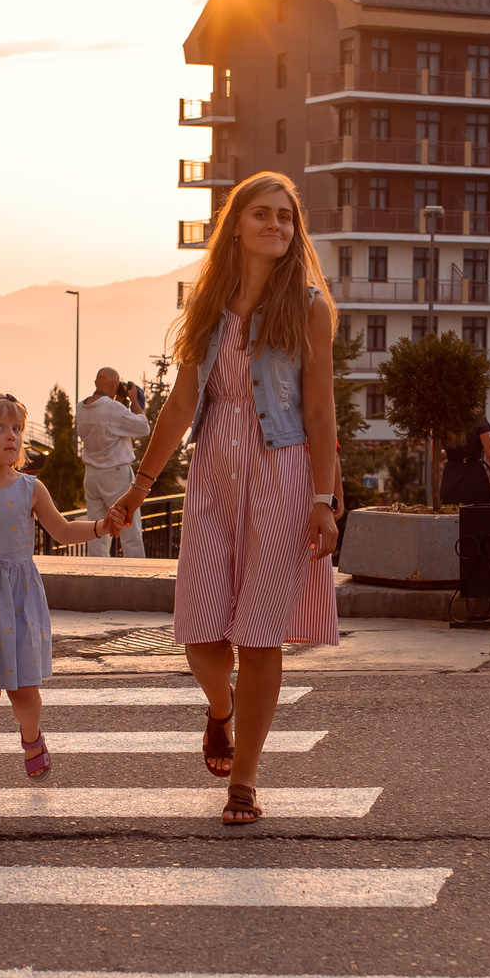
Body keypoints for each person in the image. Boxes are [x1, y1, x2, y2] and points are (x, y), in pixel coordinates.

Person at [109, 171, 340, 825]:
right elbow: (182, 403)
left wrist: (323, 498)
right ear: (236, 223)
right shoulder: (207, 304)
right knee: (200, 631)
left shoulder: (309, 305)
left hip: (284, 473)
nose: (274, 225)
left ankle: (244, 780)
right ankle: (221, 708)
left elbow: (322, 413)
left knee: (262, 635)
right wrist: (141, 485)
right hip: (213, 473)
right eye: (261, 214)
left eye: (285, 218)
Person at [0, 392, 118, 816]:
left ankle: (31, 735)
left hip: (17, 600)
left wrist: (101, 526)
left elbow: (64, 531)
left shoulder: (30, 487)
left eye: (16, 428)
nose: (11, 436)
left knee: (24, 694)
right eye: (0, 428)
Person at [75, 366, 152, 558]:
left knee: (97, 531)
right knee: (129, 530)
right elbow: (143, 428)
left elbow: (107, 423)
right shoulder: (112, 408)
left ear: (96, 384)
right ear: (114, 384)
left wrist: (119, 402)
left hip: (92, 475)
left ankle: (98, 577)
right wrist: (134, 399)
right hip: (116, 475)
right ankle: (137, 579)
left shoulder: (81, 407)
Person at [436, 410, 490, 507]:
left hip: (451, 476)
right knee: (478, 517)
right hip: (474, 476)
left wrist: (455, 453)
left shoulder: (444, 420)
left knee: (452, 517)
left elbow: (434, 456)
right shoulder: (477, 418)